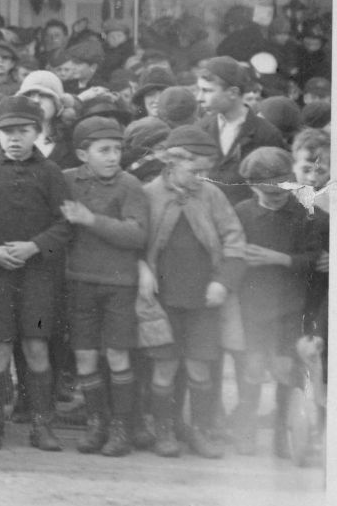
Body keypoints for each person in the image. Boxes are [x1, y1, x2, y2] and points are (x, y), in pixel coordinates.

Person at [0, 97, 73, 453]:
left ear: (37, 133)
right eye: (7, 132)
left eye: (23, 131)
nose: (14, 139)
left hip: (38, 275)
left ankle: (42, 425)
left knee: (36, 345)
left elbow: (65, 225)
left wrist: (34, 247)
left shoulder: (51, 174)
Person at [140, 124, 246, 458]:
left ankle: (199, 430)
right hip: (162, 299)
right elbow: (134, 242)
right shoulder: (148, 194)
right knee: (165, 366)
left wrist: (223, 281)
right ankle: (165, 431)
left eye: (205, 171)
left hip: (204, 298)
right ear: (171, 162)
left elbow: (234, 240)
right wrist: (142, 269)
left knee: (200, 366)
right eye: (194, 170)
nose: (201, 177)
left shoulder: (212, 195)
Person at [56, 116, 149, 457]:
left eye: (117, 149)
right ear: (83, 154)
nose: (113, 157)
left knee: (118, 353)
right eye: (104, 150)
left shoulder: (130, 185)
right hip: (79, 280)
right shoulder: (67, 181)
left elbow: (137, 233)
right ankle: (96, 422)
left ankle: (120, 427)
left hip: (119, 283)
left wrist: (90, 220)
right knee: (83, 355)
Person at [226, 146, 322, 457]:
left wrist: (278, 258)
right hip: (252, 305)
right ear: (251, 187)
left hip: (290, 306)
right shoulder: (241, 213)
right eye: (268, 195)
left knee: (284, 369)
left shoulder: (306, 214)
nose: (276, 200)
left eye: (281, 194)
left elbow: (315, 260)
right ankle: (246, 432)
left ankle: (284, 432)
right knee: (252, 368)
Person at [195, 56, 287, 207]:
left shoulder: (267, 134)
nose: (199, 98)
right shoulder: (200, 129)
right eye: (199, 90)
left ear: (232, 92)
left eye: (207, 90)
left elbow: (275, 190)